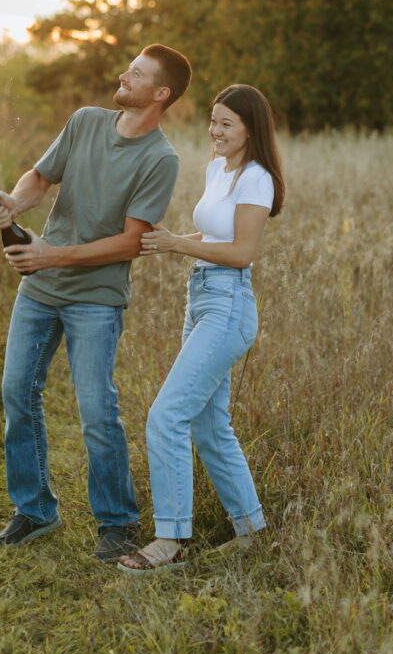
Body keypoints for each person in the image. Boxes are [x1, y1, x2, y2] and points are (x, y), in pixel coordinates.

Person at [0, 44, 191, 561]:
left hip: (95, 300)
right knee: (17, 394)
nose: (123, 75)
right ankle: (34, 511)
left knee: (97, 409)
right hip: (40, 291)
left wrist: (53, 257)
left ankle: (118, 522)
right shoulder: (85, 122)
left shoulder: (160, 159)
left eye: (137, 73)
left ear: (160, 94)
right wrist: (14, 202)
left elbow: (130, 243)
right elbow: (39, 177)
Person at [118, 83, 285, 573]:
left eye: (226, 123)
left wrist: (177, 245)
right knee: (211, 424)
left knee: (166, 415)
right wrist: (163, 241)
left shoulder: (256, 179)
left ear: (250, 129)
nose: (215, 130)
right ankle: (252, 531)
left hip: (228, 304)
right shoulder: (218, 168)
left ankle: (169, 542)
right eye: (213, 120)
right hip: (201, 298)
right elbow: (214, 234)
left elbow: (240, 252)